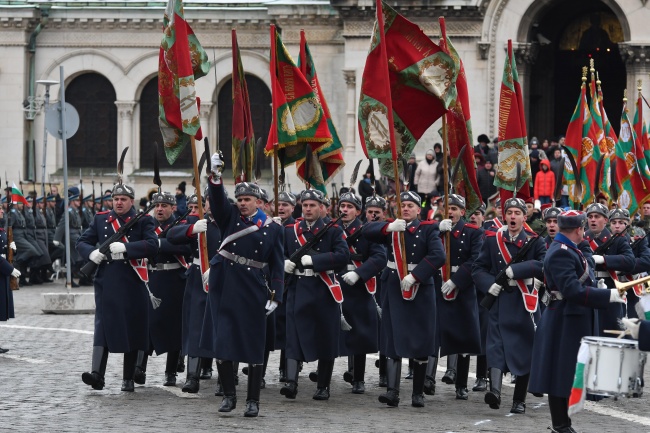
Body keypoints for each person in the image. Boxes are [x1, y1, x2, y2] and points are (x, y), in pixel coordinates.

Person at [201, 152, 284, 418]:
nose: (242, 203)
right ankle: (228, 396)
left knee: (253, 344)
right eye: (239, 199)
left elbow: (278, 265)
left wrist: (276, 295)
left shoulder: (273, 229)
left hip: (253, 287)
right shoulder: (230, 218)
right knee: (223, 341)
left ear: (259, 202)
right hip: (225, 284)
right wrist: (215, 178)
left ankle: (253, 401)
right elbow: (217, 201)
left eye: (247, 199)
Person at [529, 210, 623, 433]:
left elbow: (586, 261)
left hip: (570, 317)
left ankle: (562, 424)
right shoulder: (562, 252)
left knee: (564, 372)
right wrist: (606, 296)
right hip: (564, 318)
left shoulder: (569, 248)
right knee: (559, 373)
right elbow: (571, 290)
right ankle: (560, 425)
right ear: (579, 229)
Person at [363, 190, 445, 408]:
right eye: (403, 205)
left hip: (420, 288)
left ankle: (417, 393)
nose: (406, 208)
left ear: (419, 209)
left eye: (411, 205)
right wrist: (388, 227)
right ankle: (392, 391)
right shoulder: (392, 227)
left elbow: (438, 255)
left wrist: (415, 274)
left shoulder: (428, 229)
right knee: (392, 337)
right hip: (394, 287)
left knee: (420, 338)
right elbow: (366, 231)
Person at [77, 182, 158, 392]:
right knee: (103, 325)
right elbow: (82, 241)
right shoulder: (101, 219)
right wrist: (90, 253)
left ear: (131, 201)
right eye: (115, 199)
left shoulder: (143, 221)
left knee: (132, 326)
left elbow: (153, 245)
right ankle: (97, 374)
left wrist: (128, 248)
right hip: (107, 279)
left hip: (132, 279)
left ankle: (128, 377)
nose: (118, 202)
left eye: (123, 199)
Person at [472, 197, 546, 414]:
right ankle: (494, 391)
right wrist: (489, 285)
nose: (513, 216)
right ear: (504, 216)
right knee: (495, 345)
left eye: (517, 213)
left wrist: (519, 270)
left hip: (524, 301)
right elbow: (478, 268)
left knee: (524, 349)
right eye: (510, 212)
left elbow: (544, 266)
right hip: (499, 299)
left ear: (525, 217)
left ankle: (519, 400)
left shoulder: (535, 241)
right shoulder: (492, 240)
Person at [281, 189, 349, 401]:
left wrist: (317, 261)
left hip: (322, 289)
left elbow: (343, 256)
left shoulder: (333, 231)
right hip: (298, 287)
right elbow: (278, 253)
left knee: (325, 337)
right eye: (305, 205)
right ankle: (291, 382)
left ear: (322, 207)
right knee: (293, 335)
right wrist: (284, 263)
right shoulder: (291, 230)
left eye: (312, 205)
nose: (308, 209)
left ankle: (323, 386)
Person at [133, 191, 192, 387]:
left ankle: (171, 371)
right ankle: (139, 368)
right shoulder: (146, 225)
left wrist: (158, 244)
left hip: (174, 278)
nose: (159, 209)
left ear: (173, 208)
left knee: (174, 326)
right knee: (146, 323)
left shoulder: (181, 226)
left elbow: (186, 248)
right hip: (151, 277)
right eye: (157, 205)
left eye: (164, 205)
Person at [166, 193, 221, 394]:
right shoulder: (197, 221)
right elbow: (171, 235)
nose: (212, 206)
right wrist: (192, 229)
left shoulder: (233, 223)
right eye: (209, 202)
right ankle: (192, 377)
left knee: (223, 328)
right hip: (198, 278)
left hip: (223, 276)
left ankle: (225, 380)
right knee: (195, 326)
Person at [434, 194, 483, 400]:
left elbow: (476, 259)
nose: (451, 212)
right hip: (438, 283)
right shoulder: (436, 230)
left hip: (462, 286)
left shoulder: (473, 232)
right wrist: (437, 232)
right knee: (434, 333)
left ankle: (461, 383)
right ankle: (427, 378)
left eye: (454, 208)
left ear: (463, 212)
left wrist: (457, 281)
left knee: (463, 336)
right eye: (447, 208)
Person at [337, 192, 386, 394]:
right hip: (335, 283)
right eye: (342, 206)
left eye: (349, 207)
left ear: (358, 211)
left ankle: (358, 378)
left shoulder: (368, 231)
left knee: (358, 333)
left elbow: (379, 257)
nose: (344, 210)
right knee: (333, 331)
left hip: (359, 286)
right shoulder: (333, 229)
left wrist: (359, 273)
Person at [584, 203, 635, 335]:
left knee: (610, 331)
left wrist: (605, 260)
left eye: (597, 216)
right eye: (590, 217)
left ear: (605, 220)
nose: (593, 220)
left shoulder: (617, 240)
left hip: (609, 288)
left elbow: (630, 261)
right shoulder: (582, 238)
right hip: (588, 288)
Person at [0, 205, 20, 353]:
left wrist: (12, 249)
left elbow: (5, 253)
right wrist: (10, 269)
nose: (2, 211)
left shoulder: (2, 230)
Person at [54, 189, 84, 287]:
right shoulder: (69, 211)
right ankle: (70, 278)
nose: (79, 202)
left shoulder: (74, 211)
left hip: (76, 235)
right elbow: (62, 225)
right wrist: (57, 239)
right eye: (77, 200)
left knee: (75, 259)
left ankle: (70, 279)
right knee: (76, 258)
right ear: (72, 201)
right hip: (71, 237)